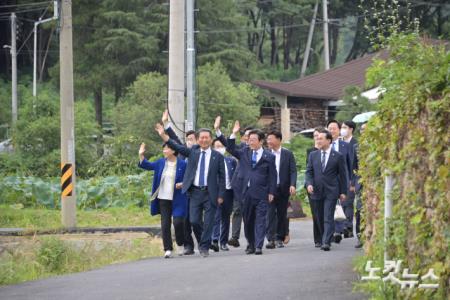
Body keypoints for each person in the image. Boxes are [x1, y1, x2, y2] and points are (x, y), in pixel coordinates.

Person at [156, 124, 226, 257]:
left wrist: (221, 194)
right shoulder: (193, 151)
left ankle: (204, 247)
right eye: (201, 138)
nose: (204, 140)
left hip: (211, 192)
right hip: (195, 192)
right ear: (198, 139)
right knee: (194, 221)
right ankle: (203, 240)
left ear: (211, 140)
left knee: (209, 221)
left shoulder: (217, 156)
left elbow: (222, 177)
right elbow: (176, 146)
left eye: (206, 138)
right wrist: (163, 135)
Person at [226, 121, 277, 255]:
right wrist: (233, 133)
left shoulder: (269, 157)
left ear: (261, 141)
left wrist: (272, 191)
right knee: (248, 221)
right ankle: (251, 243)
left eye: (253, 140)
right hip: (245, 193)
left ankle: (259, 245)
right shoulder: (244, 153)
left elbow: (273, 175)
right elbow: (230, 149)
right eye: (249, 140)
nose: (250, 142)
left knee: (260, 220)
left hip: (261, 193)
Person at [138, 142, 187, 258]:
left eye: (167, 148)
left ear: (174, 150)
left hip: (178, 198)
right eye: (163, 149)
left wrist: (183, 184)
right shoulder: (160, 162)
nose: (164, 151)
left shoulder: (182, 164)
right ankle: (168, 248)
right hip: (163, 198)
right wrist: (141, 155)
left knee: (178, 222)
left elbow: (189, 178)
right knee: (165, 224)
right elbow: (147, 165)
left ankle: (180, 243)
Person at [162, 110, 200, 255]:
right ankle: (188, 245)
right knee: (184, 220)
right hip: (183, 192)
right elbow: (173, 139)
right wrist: (166, 124)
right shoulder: (184, 152)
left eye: (191, 138)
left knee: (195, 220)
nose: (189, 141)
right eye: (187, 139)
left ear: (197, 140)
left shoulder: (201, 153)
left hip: (197, 190)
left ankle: (204, 241)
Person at [305, 129, 348, 251]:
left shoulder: (337, 156)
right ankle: (325, 236)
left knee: (328, 216)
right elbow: (309, 172)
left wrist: (343, 192)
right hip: (316, 191)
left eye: (321, 138)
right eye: (317, 138)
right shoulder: (313, 155)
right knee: (319, 217)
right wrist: (309, 184)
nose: (318, 140)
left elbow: (343, 175)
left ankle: (326, 242)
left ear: (329, 140)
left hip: (331, 191)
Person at [214, 116, 253, 248]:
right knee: (237, 210)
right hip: (240, 186)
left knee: (251, 214)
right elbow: (229, 146)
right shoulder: (242, 149)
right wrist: (221, 131)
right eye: (247, 136)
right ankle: (235, 237)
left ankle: (255, 239)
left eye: (252, 136)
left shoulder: (264, 152)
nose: (249, 139)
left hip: (257, 187)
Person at [265, 130, 297, 249]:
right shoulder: (266, 153)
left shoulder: (288, 154)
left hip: (283, 189)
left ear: (279, 140)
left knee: (282, 214)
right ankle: (270, 239)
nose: (268, 141)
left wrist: (292, 185)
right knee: (270, 214)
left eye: (271, 139)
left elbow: (293, 171)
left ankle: (279, 238)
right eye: (267, 139)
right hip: (269, 190)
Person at [326, 120, 352, 244]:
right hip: (329, 181)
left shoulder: (345, 146)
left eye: (334, 128)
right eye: (329, 128)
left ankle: (339, 229)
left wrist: (351, 181)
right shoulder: (324, 146)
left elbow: (350, 164)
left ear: (339, 130)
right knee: (330, 205)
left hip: (342, 180)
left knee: (341, 204)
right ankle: (334, 231)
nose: (332, 131)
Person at [210, 138, 237, 251]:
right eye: (217, 146)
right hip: (215, 192)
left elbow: (235, 176)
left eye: (221, 146)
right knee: (216, 216)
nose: (220, 148)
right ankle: (214, 240)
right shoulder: (211, 161)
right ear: (213, 148)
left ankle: (223, 242)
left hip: (228, 192)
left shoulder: (230, 161)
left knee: (226, 217)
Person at [305, 127, 324, 248]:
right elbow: (309, 169)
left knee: (325, 213)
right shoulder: (311, 151)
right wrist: (309, 184)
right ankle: (318, 238)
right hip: (313, 186)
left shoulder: (330, 151)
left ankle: (326, 235)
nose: (316, 138)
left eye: (319, 135)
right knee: (316, 213)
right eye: (315, 136)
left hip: (326, 186)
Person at [340, 120, 358, 238]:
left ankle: (348, 227)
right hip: (341, 178)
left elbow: (355, 164)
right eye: (342, 127)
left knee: (348, 203)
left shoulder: (355, 143)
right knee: (341, 203)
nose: (342, 129)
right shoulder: (339, 143)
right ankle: (342, 226)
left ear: (351, 129)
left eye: (345, 127)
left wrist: (353, 181)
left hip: (351, 178)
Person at [353, 122, 366, 248]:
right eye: (361, 130)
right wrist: (354, 182)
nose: (363, 132)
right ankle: (359, 236)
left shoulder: (377, 145)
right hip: (360, 183)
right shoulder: (356, 147)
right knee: (359, 210)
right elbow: (354, 166)